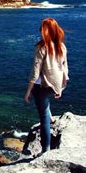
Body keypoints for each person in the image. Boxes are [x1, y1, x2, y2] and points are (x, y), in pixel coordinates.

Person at [25, 18, 69, 156]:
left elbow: (35, 72)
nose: (40, 29)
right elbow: (64, 68)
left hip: (41, 85)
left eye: (42, 28)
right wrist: (61, 87)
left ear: (45, 31)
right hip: (54, 85)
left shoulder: (41, 47)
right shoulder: (61, 46)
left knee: (42, 117)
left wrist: (28, 91)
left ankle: (45, 150)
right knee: (45, 105)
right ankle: (51, 118)